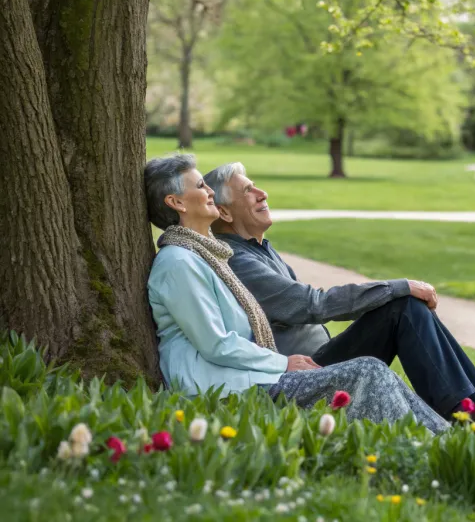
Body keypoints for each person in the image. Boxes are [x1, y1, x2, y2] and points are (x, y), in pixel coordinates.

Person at [203, 162, 475, 433]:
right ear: (226, 212)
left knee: (404, 307)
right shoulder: (240, 261)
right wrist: (397, 286)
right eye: (247, 191)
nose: (262, 192)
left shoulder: (259, 249)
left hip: (314, 362)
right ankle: (474, 417)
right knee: (402, 306)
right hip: (300, 378)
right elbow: (313, 304)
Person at [144, 154, 448, 434]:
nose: (209, 191)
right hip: (221, 389)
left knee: (373, 369)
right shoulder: (178, 262)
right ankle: (429, 447)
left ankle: (446, 437)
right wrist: (282, 363)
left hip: (245, 378)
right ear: (177, 202)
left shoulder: (206, 257)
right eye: (199, 185)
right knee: (367, 370)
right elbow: (215, 343)